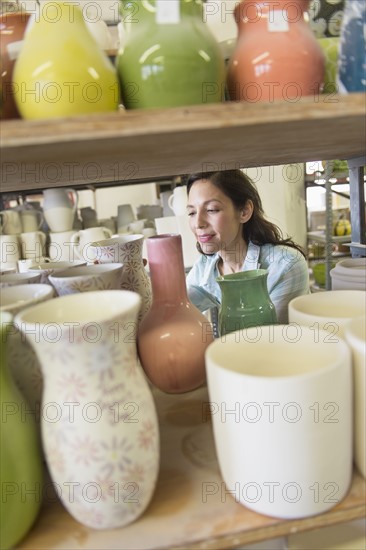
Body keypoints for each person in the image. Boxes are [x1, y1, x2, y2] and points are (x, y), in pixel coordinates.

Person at [185, 169, 310, 324]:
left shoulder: (285, 265)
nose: (198, 223)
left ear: (244, 211)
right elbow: (175, 310)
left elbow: (268, 341)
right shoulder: (205, 266)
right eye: (191, 213)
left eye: (212, 210)